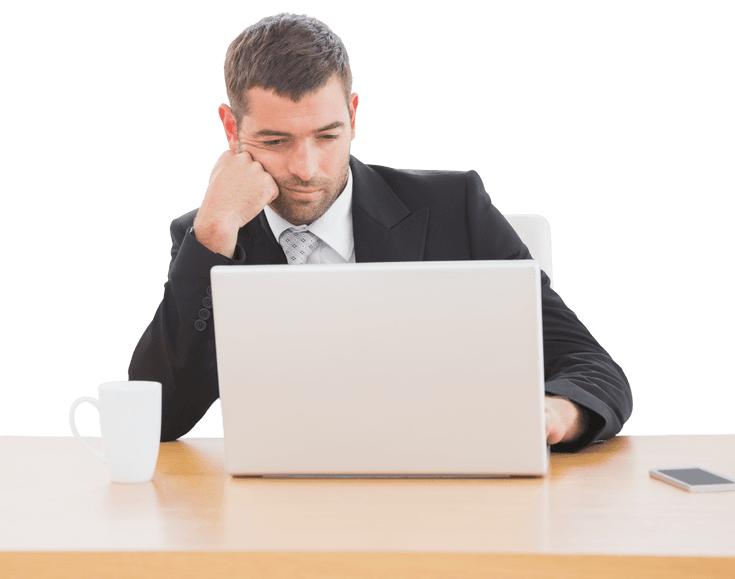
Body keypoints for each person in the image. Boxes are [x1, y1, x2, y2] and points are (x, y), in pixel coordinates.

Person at [128, 12, 631, 452]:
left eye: (326, 136)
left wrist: (556, 414)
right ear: (232, 130)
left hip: (444, 489)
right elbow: (157, 419)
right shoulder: (212, 237)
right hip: (279, 505)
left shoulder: (454, 207)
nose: (306, 168)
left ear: (352, 115)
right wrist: (212, 231)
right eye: (275, 141)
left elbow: (589, 363)